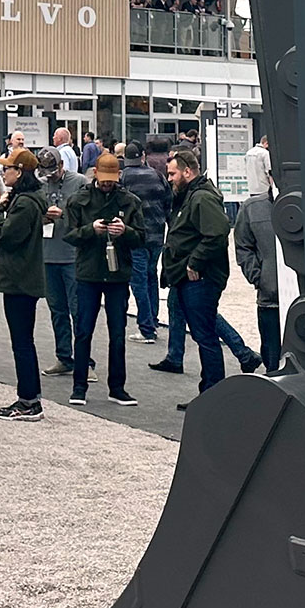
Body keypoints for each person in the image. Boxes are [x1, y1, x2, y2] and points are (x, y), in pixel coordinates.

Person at [62, 152, 145, 407]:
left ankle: (117, 387)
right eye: (104, 178)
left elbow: (142, 238)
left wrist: (125, 231)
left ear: (118, 175)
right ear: (95, 174)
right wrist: (91, 230)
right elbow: (69, 234)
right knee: (83, 330)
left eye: (112, 179)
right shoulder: (79, 200)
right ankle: (79, 386)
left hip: (118, 273)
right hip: (88, 272)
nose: (108, 183)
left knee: (117, 332)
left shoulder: (130, 201)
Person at [159, 148, 238, 410]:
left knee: (205, 336)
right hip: (189, 276)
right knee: (204, 334)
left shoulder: (201, 197)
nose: (169, 179)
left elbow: (217, 234)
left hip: (200, 278)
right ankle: (210, 394)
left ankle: (212, 396)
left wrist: (195, 262)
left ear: (187, 171)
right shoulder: (190, 195)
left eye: (173, 174)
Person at [0, 149, 49, 421]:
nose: (3, 173)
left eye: (8, 169)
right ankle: (30, 397)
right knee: (24, 341)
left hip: (19, 279)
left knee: (22, 342)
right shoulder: (30, 199)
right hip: (23, 277)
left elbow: (4, 235)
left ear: (20, 171)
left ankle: (28, 400)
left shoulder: (24, 203)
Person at [34, 150, 84, 378]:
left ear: (62, 164)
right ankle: (64, 357)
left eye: (53, 171)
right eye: (46, 172)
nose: (50, 176)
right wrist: (44, 216)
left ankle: (85, 361)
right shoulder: (40, 184)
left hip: (72, 256)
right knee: (57, 311)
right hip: (48, 255)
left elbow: (88, 214)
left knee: (78, 310)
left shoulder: (79, 182)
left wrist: (65, 214)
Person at [121, 138, 169, 344]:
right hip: (157, 235)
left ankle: (146, 328)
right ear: (142, 156)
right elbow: (168, 203)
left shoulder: (124, 177)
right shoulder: (157, 175)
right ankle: (153, 321)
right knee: (151, 276)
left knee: (138, 280)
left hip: (136, 236)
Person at [234, 175, 281, 373]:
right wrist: (258, 277)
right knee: (273, 359)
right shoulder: (253, 207)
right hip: (271, 298)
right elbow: (243, 245)